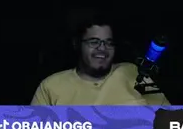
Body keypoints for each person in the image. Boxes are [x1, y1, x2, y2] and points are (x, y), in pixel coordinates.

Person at [32, 18, 169, 105]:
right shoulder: (51, 86)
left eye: (108, 43)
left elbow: (170, 122)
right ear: (77, 44)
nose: (102, 48)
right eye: (94, 42)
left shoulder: (133, 72)